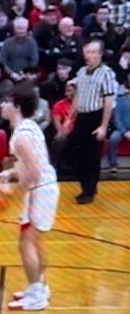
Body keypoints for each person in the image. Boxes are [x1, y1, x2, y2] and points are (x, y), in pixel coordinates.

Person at [0, 82, 59, 311]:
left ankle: (38, 294)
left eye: (7, 101)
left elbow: (35, 171)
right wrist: (7, 174)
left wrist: (10, 191)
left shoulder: (21, 136)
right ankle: (38, 286)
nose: (2, 104)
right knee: (32, 241)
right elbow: (29, 165)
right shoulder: (27, 127)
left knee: (27, 242)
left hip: (41, 190)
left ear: (16, 106)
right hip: (42, 188)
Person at [70, 39, 116, 203]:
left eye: (92, 52)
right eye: (87, 52)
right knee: (77, 153)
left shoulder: (107, 73)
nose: (89, 55)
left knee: (91, 155)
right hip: (82, 116)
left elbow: (108, 101)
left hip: (96, 116)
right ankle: (84, 186)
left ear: (100, 54)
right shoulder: (81, 72)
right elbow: (77, 96)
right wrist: (70, 117)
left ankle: (89, 190)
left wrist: (103, 126)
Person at [106, 72, 130, 173]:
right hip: (122, 129)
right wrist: (124, 132)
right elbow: (117, 118)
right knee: (113, 139)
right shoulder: (121, 99)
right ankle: (113, 165)